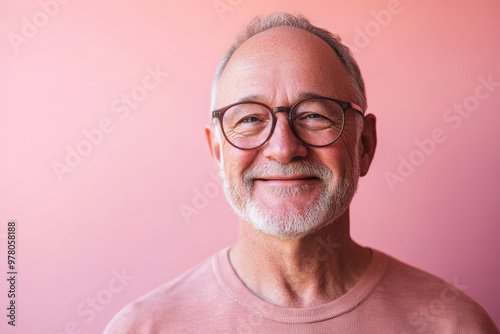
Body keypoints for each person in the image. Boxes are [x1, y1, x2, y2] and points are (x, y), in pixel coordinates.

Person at [103, 12, 499, 333]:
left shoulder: (455, 325)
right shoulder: (142, 328)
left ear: (364, 145)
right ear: (217, 153)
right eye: (251, 119)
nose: (283, 148)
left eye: (313, 115)